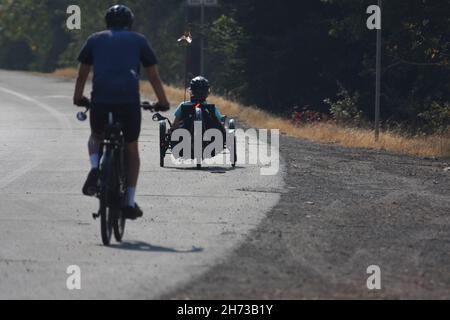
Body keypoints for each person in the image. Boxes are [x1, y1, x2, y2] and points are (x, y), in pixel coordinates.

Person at [73, 4, 170, 220]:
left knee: (96, 136)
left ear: (107, 22)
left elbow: (82, 74)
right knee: (131, 148)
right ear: (130, 23)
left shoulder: (95, 39)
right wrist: (162, 102)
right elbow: (153, 76)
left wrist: (78, 98)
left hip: (100, 100)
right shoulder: (139, 40)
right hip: (128, 102)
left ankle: (94, 168)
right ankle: (129, 201)